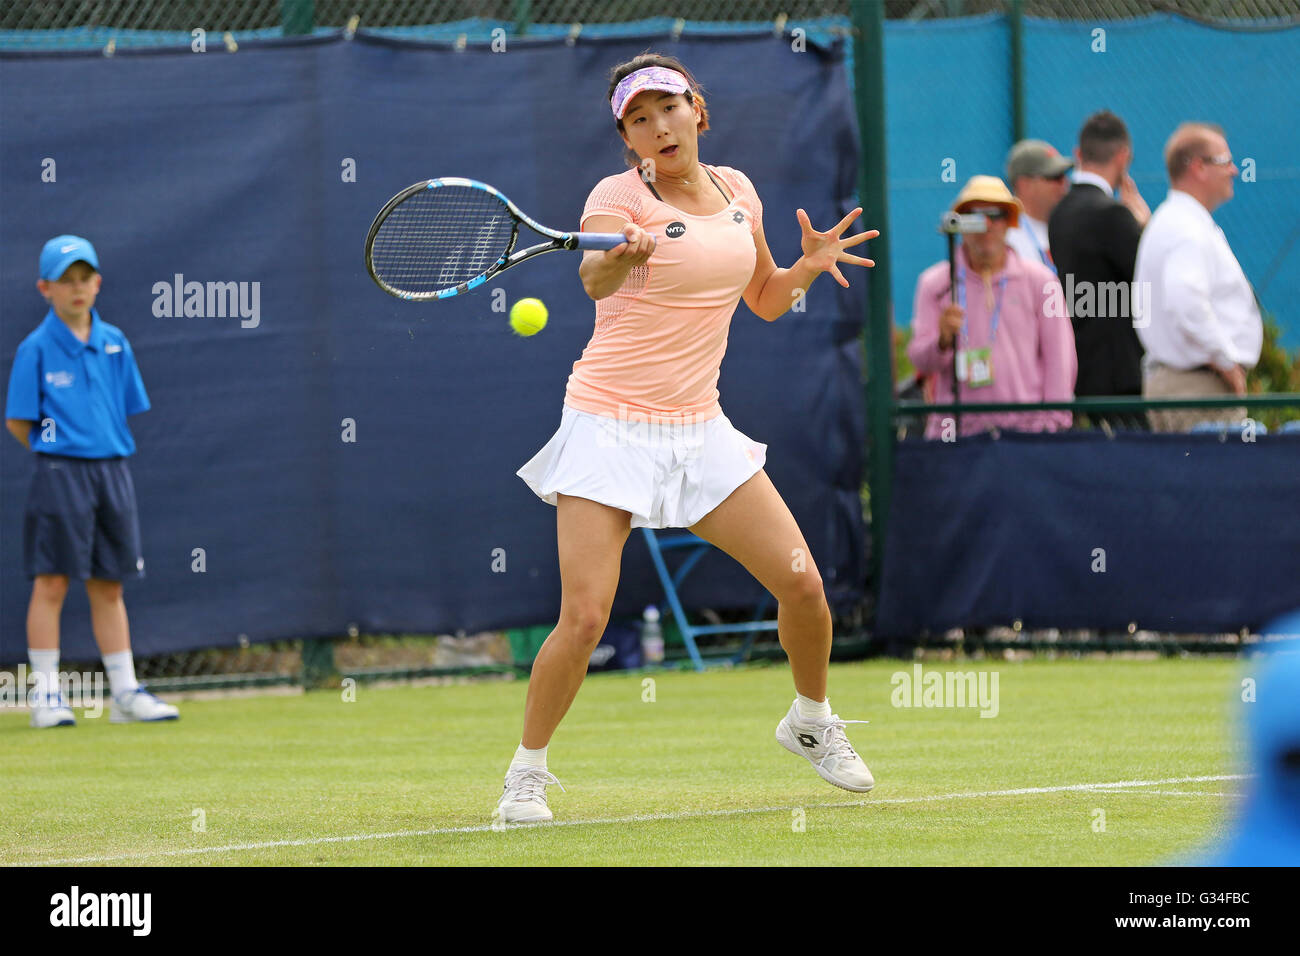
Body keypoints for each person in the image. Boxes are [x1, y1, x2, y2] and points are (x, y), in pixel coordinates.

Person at [503, 54, 879, 824]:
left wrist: (808, 266)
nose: (656, 126)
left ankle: (809, 721)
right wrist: (620, 256)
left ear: (697, 110)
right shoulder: (617, 196)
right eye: (637, 120)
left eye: (666, 109)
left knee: (804, 584)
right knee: (584, 617)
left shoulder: (740, 192)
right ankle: (526, 774)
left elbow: (766, 300)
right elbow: (593, 283)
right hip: (608, 422)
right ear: (628, 138)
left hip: (700, 428)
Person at [4, 236, 179, 728]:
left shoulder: (115, 342)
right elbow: (19, 422)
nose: (77, 288)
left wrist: (95, 447)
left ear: (97, 283)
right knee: (52, 582)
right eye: (66, 280)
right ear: (45, 288)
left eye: (85, 279)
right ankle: (46, 698)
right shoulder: (35, 349)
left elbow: (122, 407)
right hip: (59, 475)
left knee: (109, 586)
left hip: (112, 474)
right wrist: (62, 453)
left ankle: (124, 694)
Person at [908, 176, 1076, 439]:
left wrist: (1052, 424)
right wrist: (941, 341)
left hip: (1025, 435)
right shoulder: (935, 284)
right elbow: (920, 359)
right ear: (960, 223)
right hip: (957, 436)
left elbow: (1060, 359)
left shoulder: (1040, 280)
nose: (986, 225)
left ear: (1010, 221)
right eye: (975, 215)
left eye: (996, 215)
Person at [1134, 123, 1262, 432]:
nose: (1234, 170)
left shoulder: (1177, 220)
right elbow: (1186, 302)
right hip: (1198, 389)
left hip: (1187, 384)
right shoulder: (1185, 227)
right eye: (1224, 161)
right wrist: (1226, 361)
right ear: (1198, 167)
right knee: (1218, 478)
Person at [1048, 111, 1150, 425]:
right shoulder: (1115, 216)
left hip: (1079, 372)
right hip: (1120, 378)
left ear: (1079, 154)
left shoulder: (1059, 213)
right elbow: (1149, 278)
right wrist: (1144, 226)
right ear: (1123, 156)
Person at [1004, 139, 1072, 273]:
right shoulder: (1006, 236)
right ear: (1025, 185)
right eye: (1055, 177)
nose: (1065, 183)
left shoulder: (1069, 227)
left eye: (1064, 176)